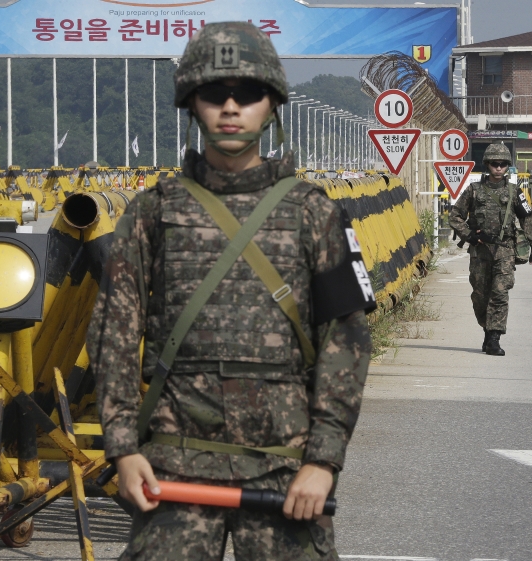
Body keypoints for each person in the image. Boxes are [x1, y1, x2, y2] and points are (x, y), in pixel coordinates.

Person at [88, 22, 375, 561]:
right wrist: (123, 449)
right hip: (173, 464)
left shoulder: (314, 213)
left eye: (248, 93)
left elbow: (347, 341)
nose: (230, 107)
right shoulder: (153, 212)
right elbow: (114, 337)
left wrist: (323, 460)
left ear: (272, 105)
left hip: (285, 469)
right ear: (191, 105)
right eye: (214, 93)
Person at [449, 142, 532, 356]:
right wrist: (469, 235)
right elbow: (455, 216)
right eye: (494, 164)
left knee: (500, 293)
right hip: (480, 251)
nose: (498, 168)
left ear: (507, 166)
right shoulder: (473, 190)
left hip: (505, 250)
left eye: (502, 164)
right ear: (487, 164)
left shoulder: (514, 192)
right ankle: (487, 330)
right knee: (480, 296)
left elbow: (527, 218)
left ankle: (494, 338)